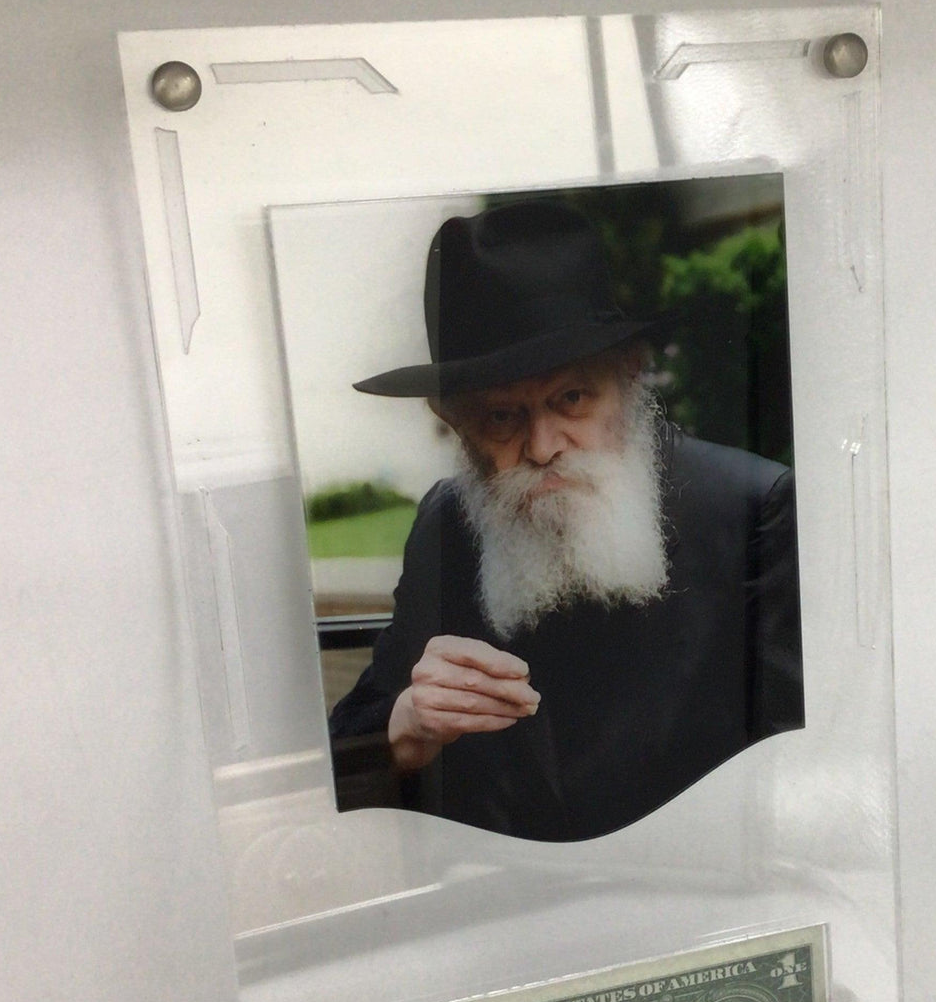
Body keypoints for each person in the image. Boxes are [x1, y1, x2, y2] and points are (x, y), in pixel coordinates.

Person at [328, 199, 804, 842]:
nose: (543, 445)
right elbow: (348, 750)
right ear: (455, 422)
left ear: (630, 374)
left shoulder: (754, 511)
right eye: (502, 417)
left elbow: (799, 776)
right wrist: (405, 726)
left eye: (571, 398)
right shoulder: (447, 523)